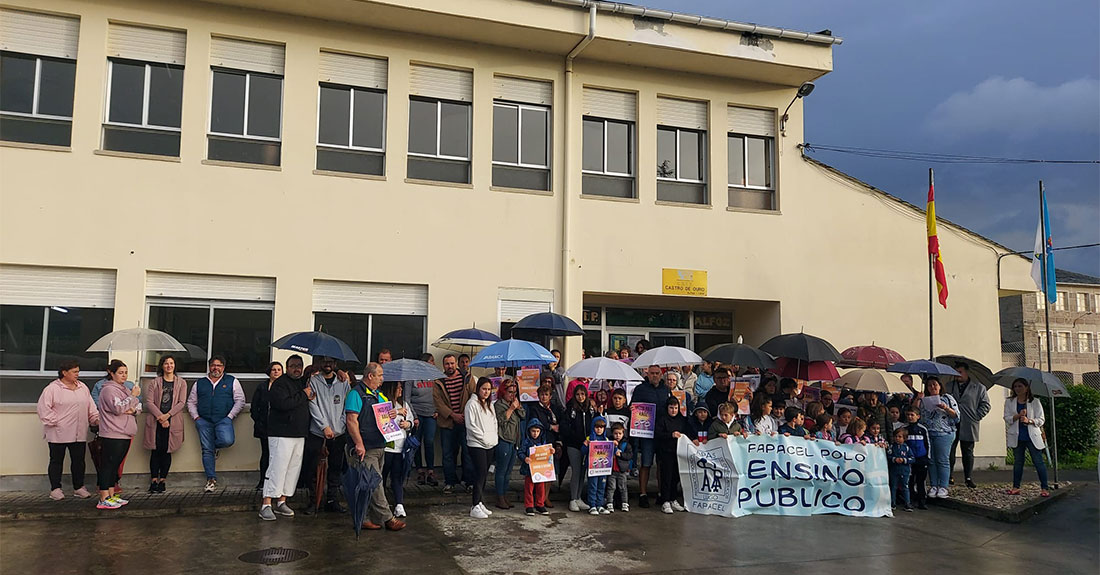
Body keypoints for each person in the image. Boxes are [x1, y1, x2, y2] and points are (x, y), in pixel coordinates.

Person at [345, 362, 406, 531]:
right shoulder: (356, 394)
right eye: (380, 375)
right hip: (365, 447)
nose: (382, 379)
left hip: (379, 445)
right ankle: (388, 518)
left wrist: (393, 413)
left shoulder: (378, 394)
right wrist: (358, 444)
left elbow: (386, 413)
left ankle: (363, 517)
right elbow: (351, 420)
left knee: (365, 484)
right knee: (375, 482)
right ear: (370, 376)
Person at [258, 355, 312, 521]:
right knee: (277, 468)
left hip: (299, 433)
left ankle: (282, 500)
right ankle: (266, 503)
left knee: (292, 469)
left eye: (299, 366)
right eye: (293, 365)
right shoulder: (279, 384)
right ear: (287, 367)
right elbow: (283, 404)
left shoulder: (304, 382)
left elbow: (315, 372)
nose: (297, 369)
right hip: (281, 433)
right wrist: (303, 395)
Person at [37, 359, 99, 501]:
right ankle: (55, 489)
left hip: (79, 433)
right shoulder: (52, 389)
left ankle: (79, 487)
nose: (77, 374)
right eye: (74, 372)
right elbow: (43, 409)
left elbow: (91, 407)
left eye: (78, 371)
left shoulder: (82, 387)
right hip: (58, 433)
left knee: (78, 461)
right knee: (56, 461)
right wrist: (57, 422)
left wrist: (96, 419)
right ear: (64, 373)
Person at [187, 355, 246, 493]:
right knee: (206, 450)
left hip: (223, 420)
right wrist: (196, 418)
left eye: (219, 365)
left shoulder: (232, 381)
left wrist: (230, 416)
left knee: (227, 440)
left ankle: (215, 446)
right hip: (204, 421)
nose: (216, 368)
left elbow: (240, 400)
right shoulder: (200, 383)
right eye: (213, 365)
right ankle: (211, 479)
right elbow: (191, 402)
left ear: (223, 368)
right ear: (209, 366)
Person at [301, 356, 350, 515]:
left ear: (335, 364)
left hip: (338, 433)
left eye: (331, 362)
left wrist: (340, 425)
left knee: (335, 468)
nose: (327, 364)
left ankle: (332, 500)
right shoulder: (313, 381)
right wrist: (324, 427)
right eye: (325, 361)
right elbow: (312, 405)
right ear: (320, 364)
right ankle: (314, 502)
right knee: (314, 469)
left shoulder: (343, 382)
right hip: (318, 433)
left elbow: (347, 405)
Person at [95, 360, 141, 510]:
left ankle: (111, 493)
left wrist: (132, 406)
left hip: (125, 432)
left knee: (115, 466)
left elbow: (137, 407)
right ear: (112, 373)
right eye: (120, 373)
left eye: (126, 372)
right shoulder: (108, 390)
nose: (124, 375)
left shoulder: (125, 389)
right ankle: (103, 497)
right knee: (107, 465)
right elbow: (118, 408)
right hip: (113, 433)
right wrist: (132, 398)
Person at [143, 356, 187, 493]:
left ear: (175, 365)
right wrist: (160, 417)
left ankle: (163, 480)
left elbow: (181, 402)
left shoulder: (181, 383)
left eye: (171, 363)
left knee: (167, 451)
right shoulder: (154, 382)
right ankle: (153, 480)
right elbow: (149, 402)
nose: (169, 366)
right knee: (155, 450)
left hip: (172, 421)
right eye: (166, 363)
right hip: (156, 421)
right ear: (162, 366)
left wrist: (167, 416)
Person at [943, 362, 991, 489]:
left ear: (966, 372)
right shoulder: (949, 386)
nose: (958, 375)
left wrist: (976, 416)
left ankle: (968, 477)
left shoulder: (979, 387)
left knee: (968, 451)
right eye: (955, 372)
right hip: (952, 423)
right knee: (950, 450)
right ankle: (949, 475)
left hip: (969, 423)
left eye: (960, 372)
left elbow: (986, 405)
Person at [630, 365, 669, 509]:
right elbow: (632, 406)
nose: (654, 376)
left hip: (662, 433)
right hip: (646, 433)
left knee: (661, 464)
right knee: (646, 463)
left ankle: (660, 493)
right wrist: (632, 409)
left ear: (661, 374)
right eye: (652, 373)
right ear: (647, 374)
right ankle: (643, 494)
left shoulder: (666, 390)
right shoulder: (641, 389)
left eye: (657, 373)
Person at [1004, 377, 1050, 497]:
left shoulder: (1034, 402)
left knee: (1038, 462)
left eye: (1020, 386)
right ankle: (1016, 487)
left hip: (1032, 436)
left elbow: (1041, 420)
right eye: (1015, 387)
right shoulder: (1009, 401)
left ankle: (1044, 487)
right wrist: (1018, 416)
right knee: (1018, 462)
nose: (1018, 389)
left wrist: (1029, 420)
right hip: (1017, 436)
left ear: (1026, 388)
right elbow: (1007, 418)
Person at [434, 354, 473, 494]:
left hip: (465, 421)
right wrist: (453, 415)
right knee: (448, 454)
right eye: (447, 364)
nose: (449, 366)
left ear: (456, 363)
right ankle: (450, 481)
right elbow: (438, 402)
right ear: (443, 365)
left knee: (468, 453)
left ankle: (469, 482)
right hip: (447, 422)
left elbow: (474, 397)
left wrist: (465, 415)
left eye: (452, 363)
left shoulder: (467, 378)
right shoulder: (438, 381)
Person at [919, 376, 959, 499]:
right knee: (931, 460)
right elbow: (919, 415)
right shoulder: (924, 400)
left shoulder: (947, 398)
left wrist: (945, 408)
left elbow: (957, 416)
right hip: (929, 432)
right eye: (929, 385)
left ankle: (943, 486)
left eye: (935, 384)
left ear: (940, 386)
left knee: (942, 460)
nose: (932, 387)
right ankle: (934, 485)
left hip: (944, 433)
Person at [380, 380, 415, 519]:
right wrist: (396, 411)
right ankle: (381, 504)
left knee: (397, 476)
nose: (400, 390)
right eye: (398, 387)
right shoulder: (383, 402)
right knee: (382, 477)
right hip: (387, 447)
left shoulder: (404, 404)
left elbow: (411, 420)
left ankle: (399, 504)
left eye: (401, 387)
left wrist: (408, 423)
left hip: (401, 447)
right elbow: (380, 417)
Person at [465, 377, 498, 519]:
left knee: (484, 474)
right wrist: (483, 438)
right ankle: (474, 505)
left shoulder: (490, 405)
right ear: (478, 389)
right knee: (480, 473)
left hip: (490, 443)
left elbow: (494, 422)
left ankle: (479, 501)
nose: (486, 392)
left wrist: (493, 438)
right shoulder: (471, 404)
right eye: (484, 389)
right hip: (476, 444)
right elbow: (471, 426)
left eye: (489, 389)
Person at [493, 378, 526, 509]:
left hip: (514, 441)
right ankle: (499, 497)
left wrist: (517, 406)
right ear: (503, 392)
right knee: (501, 470)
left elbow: (523, 415)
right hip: (504, 439)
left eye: (515, 392)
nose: (513, 395)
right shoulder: (499, 405)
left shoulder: (515, 403)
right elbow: (501, 421)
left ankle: (504, 495)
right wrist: (511, 409)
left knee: (508, 471)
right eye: (510, 392)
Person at [654, 397, 689, 514]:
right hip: (665, 452)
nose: (673, 410)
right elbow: (658, 434)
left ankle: (673, 499)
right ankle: (665, 501)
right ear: (667, 408)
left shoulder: (682, 420)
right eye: (671, 408)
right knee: (666, 477)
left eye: (675, 408)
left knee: (676, 477)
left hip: (679, 452)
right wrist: (671, 435)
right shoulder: (662, 419)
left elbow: (688, 432)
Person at [528, 384, 561, 508]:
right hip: (540, 442)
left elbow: (560, 423)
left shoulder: (555, 408)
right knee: (539, 471)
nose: (544, 397)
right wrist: (550, 427)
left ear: (550, 396)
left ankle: (545, 497)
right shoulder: (535, 408)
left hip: (552, 442)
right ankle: (537, 498)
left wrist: (559, 443)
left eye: (546, 394)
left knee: (550, 473)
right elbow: (537, 423)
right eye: (541, 394)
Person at [562, 385, 594, 512]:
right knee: (576, 471)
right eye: (578, 394)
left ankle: (579, 497)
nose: (580, 397)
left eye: (583, 394)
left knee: (582, 472)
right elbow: (565, 427)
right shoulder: (570, 409)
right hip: (574, 445)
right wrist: (579, 439)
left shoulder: (589, 409)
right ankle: (573, 499)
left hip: (587, 445)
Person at [251, 361, 282, 491]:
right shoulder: (262, 387)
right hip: (265, 426)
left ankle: (278, 481)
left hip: (281, 427)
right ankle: (263, 480)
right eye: (273, 369)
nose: (276, 372)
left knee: (279, 455)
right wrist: (258, 420)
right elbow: (254, 406)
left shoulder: (286, 386)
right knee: (266, 454)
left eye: (279, 369)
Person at [519, 417, 553, 516]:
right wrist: (525, 458)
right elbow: (520, 452)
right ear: (529, 430)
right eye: (533, 431)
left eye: (537, 431)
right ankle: (529, 506)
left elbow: (547, 452)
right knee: (529, 488)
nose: (535, 433)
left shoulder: (543, 441)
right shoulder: (526, 441)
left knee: (540, 488)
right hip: (529, 470)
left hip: (540, 470)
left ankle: (540, 504)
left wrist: (551, 451)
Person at [903, 408, 931, 509]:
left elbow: (927, 444)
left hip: (921, 459)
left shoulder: (923, 429)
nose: (910, 417)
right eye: (908, 415)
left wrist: (928, 457)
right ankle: (909, 500)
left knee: (921, 481)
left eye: (912, 415)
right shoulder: (904, 428)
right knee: (909, 480)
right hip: (909, 459)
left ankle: (922, 501)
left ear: (918, 416)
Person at [605, 422, 633, 512]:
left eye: (620, 433)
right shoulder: (609, 442)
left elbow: (629, 456)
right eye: (615, 433)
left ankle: (625, 503)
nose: (617, 436)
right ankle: (609, 503)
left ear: (623, 433)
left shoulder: (626, 444)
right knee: (611, 487)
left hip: (622, 470)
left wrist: (621, 454)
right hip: (612, 470)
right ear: (612, 433)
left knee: (623, 487)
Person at [886, 428, 915, 512]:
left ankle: (907, 503)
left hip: (905, 471)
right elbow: (888, 457)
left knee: (905, 486)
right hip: (894, 470)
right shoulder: (891, 447)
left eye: (900, 436)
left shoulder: (907, 448)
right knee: (893, 486)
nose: (897, 438)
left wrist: (904, 460)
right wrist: (894, 459)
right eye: (896, 436)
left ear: (904, 438)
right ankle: (892, 503)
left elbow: (913, 458)